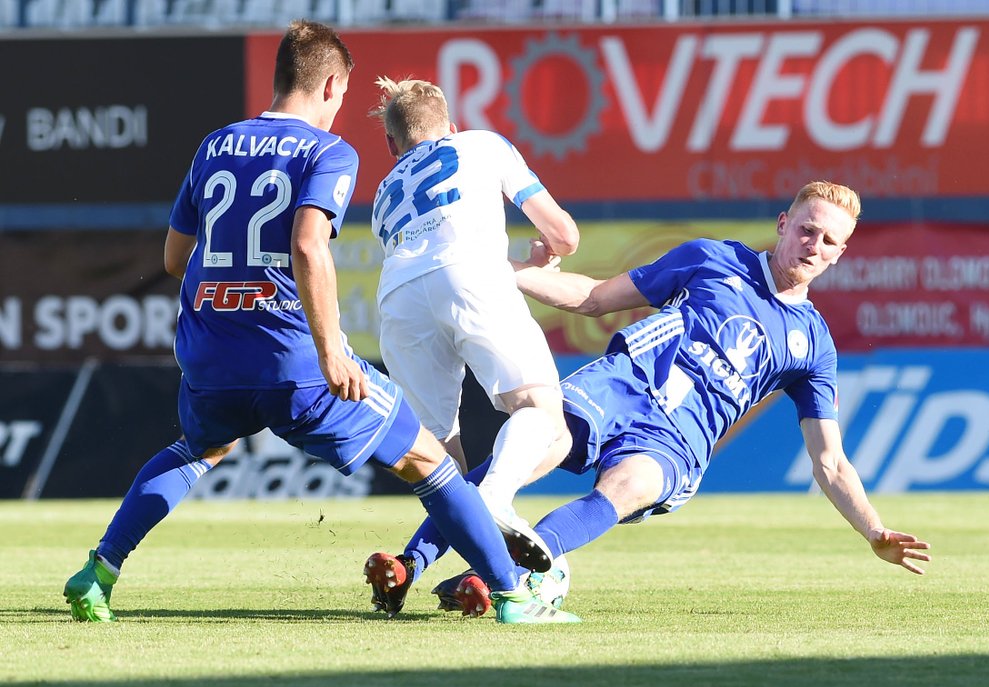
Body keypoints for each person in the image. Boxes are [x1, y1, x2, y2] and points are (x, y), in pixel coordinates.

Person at [61, 21, 579, 626]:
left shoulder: (215, 144)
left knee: (197, 449)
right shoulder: (327, 152)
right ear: (330, 83)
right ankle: (514, 595)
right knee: (431, 462)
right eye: (340, 96)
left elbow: (175, 259)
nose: (338, 109)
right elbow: (310, 246)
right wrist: (333, 352)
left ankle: (98, 572)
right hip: (294, 359)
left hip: (209, 350)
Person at [368, 181, 931, 617]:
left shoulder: (814, 346)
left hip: (679, 441)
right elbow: (593, 298)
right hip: (621, 385)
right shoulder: (711, 258)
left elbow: (829, 461)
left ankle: (502, 580)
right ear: (784, 224)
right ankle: (409, 563)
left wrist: (874, 530)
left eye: (829, 241)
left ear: (840, 255)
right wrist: (505, 270)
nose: (814, 245)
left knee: (630, 487)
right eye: (808, 229)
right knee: (523, 451)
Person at [368, 77, 579, 571]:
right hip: (470, 276)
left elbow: (429, 257)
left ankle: (479, 575)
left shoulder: (383, 191)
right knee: (544, 417)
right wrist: (546, 253)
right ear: (452, 124)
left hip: (397, 298)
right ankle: (495, 500)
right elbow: (565, 234)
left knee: (439, 459)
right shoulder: (482, 143)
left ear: (391, 144)